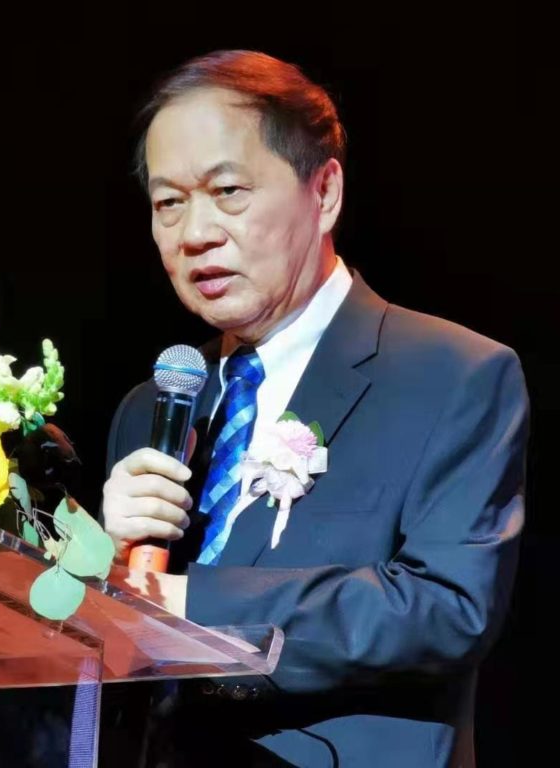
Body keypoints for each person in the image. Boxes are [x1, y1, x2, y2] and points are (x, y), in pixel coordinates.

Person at [103, 50, 528, 766]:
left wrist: (187, 608)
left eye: (228, 190)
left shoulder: (452, 375)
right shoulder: (155, 404)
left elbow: (448, 608)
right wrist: (103, 567)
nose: (195, 231)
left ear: (324, 191)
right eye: (168, 202)